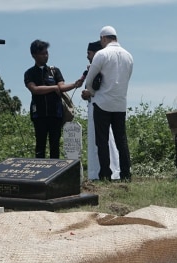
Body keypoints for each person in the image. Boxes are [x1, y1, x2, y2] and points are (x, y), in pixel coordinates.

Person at [82, 26, 133, 181]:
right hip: (120, 103)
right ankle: (126, 174)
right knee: (121, 140)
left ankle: (105, 174)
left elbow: (90, 80)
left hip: (103, 103)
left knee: (102, 141)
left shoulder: (102, 54)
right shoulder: (128, 56)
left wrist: (91, 92)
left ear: (103, 38)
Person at [24, 40, 83, 159]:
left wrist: (74, 85)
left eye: (47, 53)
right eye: (42, 53)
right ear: (34, 55)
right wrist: (54, 87)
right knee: (40, 144)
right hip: (39, 114)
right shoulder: (29, 73)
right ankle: (39, 172)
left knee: (55, 144)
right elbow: (34, 89)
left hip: (55, 113)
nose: (45, 56)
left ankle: (54, 173)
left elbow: (62, 87)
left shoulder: (54, 71)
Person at [81, 40, 120, 180]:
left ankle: (108, 170)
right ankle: (95, 170)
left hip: (101, 107)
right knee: (94, 140)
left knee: (104, 140)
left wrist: (89, 92)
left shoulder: (102, 69)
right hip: (93, 107)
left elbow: (101, 89)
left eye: (89, 53)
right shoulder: (92, 68)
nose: (87, 56)